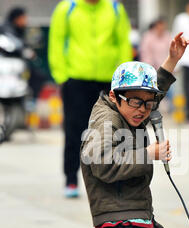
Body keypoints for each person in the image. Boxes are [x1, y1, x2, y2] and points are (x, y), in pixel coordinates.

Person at [80, 33, 189, 228]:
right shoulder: (105, 120)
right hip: (121, 223)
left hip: (143, 218)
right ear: (115, 97)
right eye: (136, 102)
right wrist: (149, 152)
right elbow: (101, 162)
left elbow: (148, 93)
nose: (143, 110)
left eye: (148, 103)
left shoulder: (132, 107)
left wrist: (172, 60)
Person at [48, 0, 132, 198]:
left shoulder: (114, 8)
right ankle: (70, 178)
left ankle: (115, 178)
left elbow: (123, 43)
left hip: (108, 81)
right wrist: (62, 76)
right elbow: (57, 42)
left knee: (113, 129)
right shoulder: (67, 8)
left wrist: (123, 78)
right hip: (76, 80)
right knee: (74, 129)